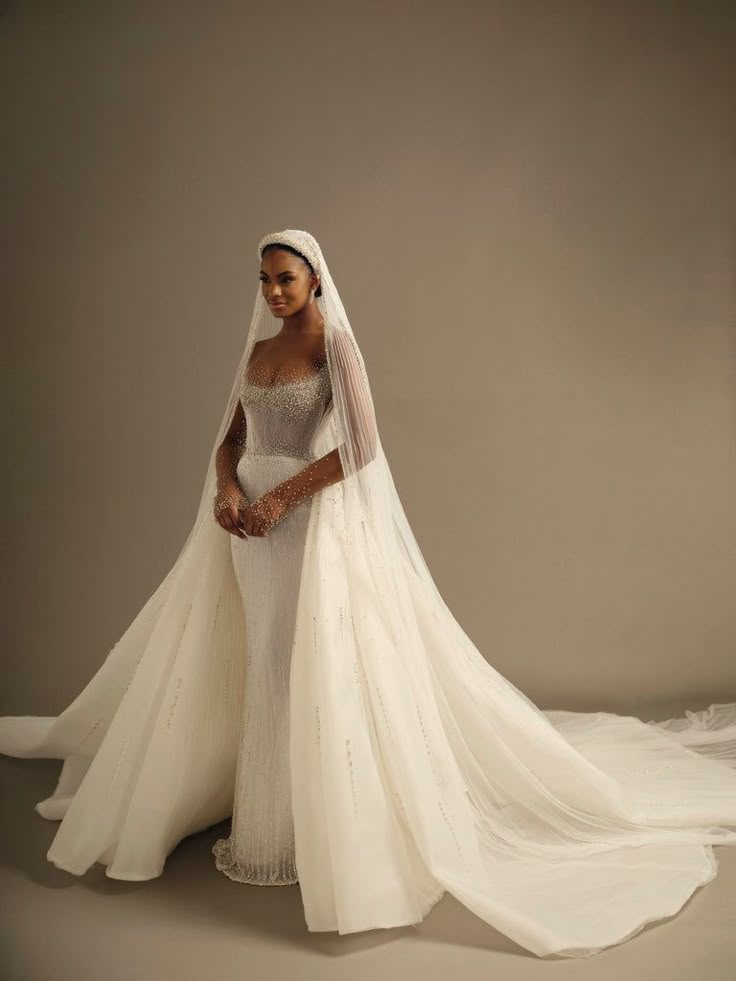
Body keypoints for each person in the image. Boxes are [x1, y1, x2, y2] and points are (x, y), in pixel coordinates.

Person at [2, 228, 736, 960]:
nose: (273, 292)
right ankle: (267, 824)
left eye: (286, 279)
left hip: (302, 526)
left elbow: (360, 447)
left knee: (299, 662)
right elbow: (229, 439)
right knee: (260, 658)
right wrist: (229, 491)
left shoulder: (334, 347)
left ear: (316, 278)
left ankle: (310, 831)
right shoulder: (258, 352)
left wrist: (281, 498)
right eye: (263, 280)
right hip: (248, 529)